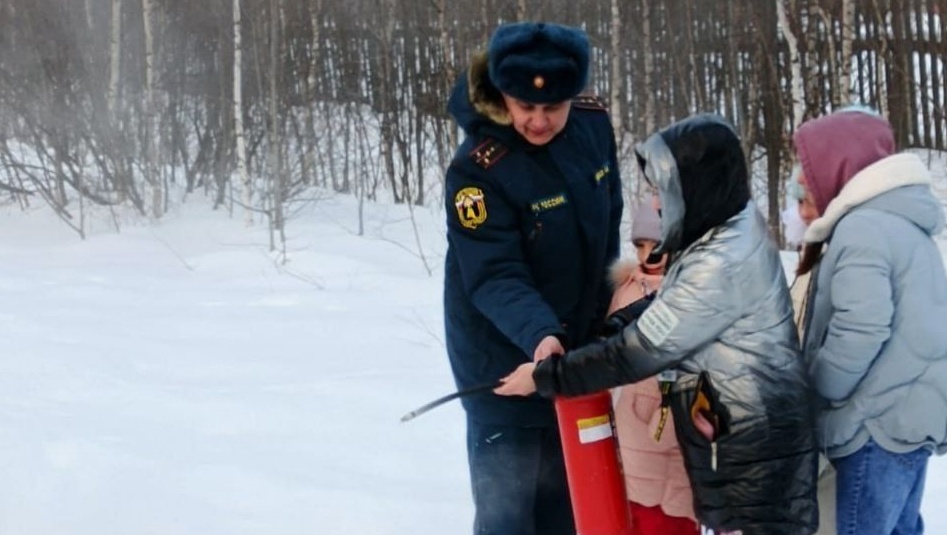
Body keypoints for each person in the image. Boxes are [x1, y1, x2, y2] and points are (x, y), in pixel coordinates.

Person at [496, 114, 818, 535]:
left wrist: (546, 377)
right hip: (744, 451)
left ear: (697, 187)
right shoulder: (726, 231)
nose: (654, 204)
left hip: (755, 468)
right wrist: (612, 326)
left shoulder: (722, 261)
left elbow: (638, 352)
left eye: (661, 190)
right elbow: (666, 303)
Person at [442, 21, 623, 535]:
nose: (539, 121)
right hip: (502, 366)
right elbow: (494, 274)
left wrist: (612, 308)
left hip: (574, 361)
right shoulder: (477, 169)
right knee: (508, 517)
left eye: (553, 107)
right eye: (526, 107)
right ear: (503, 94)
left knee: (572, 511)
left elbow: (608, 220)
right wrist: (542, 334)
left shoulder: (592, 125)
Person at [790, 107, 947, 535]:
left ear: (837, 168)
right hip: (908, 418)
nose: (803, 185)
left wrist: (817, 386)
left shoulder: (862, 229)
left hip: (875, 423)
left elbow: (861, 328)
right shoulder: (904, 224)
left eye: (808, 174)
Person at [607, 201, 698, 535]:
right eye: (640, 245)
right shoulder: (628, 289)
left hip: (675, 429)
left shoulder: (695, 292)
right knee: (638, 516)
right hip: (631, 430)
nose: (648, 254)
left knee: (671, 518)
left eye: (656, 245)